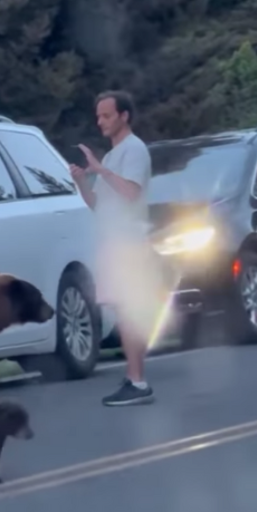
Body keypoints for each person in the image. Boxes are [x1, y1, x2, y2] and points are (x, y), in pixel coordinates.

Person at [70, 90, 157, 407]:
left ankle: (138, 381)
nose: (100, 122)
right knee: (124, 311)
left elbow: (131, 193)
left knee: (131, 311)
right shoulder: (110, 157)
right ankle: (134, 376)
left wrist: (101, 170)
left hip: (130, 243)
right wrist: (82, 180)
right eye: (98, 116)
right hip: (114, 242)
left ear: (124, 116)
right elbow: (98, 204)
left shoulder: (134, 150)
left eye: (106, 115)